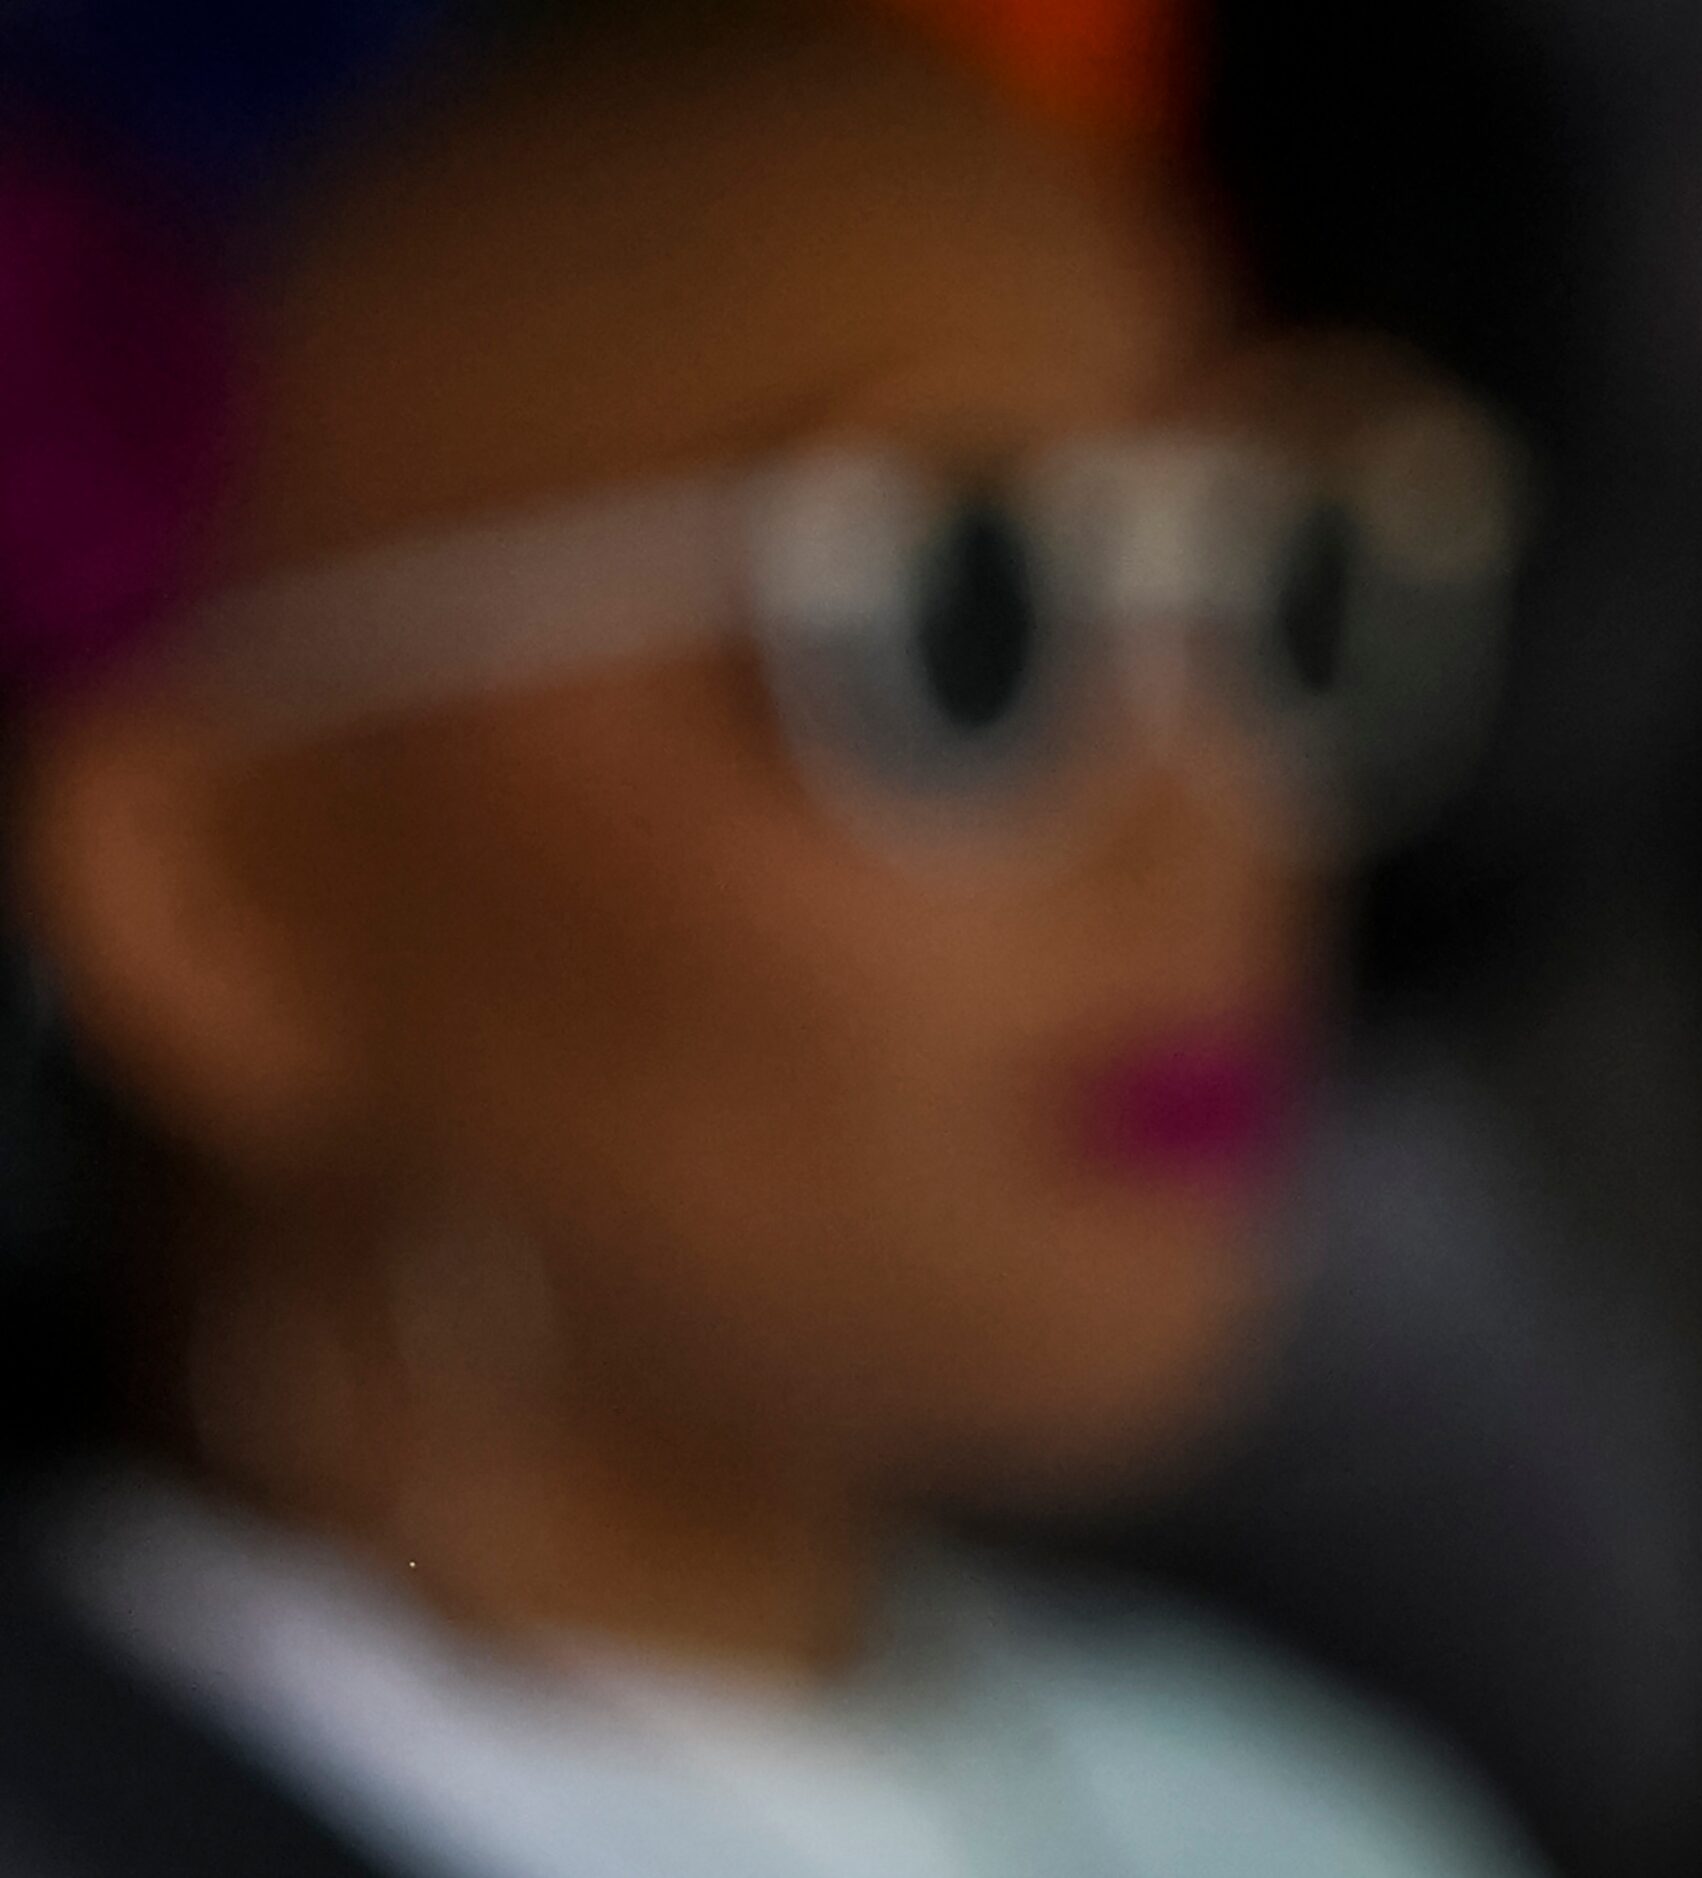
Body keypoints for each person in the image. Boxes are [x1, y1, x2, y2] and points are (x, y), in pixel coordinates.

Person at [0, 4, 1539, 1874]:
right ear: (202, 887)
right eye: (963, 619)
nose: (1207, 814)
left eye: (1277, 578)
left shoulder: (1308, 1818)